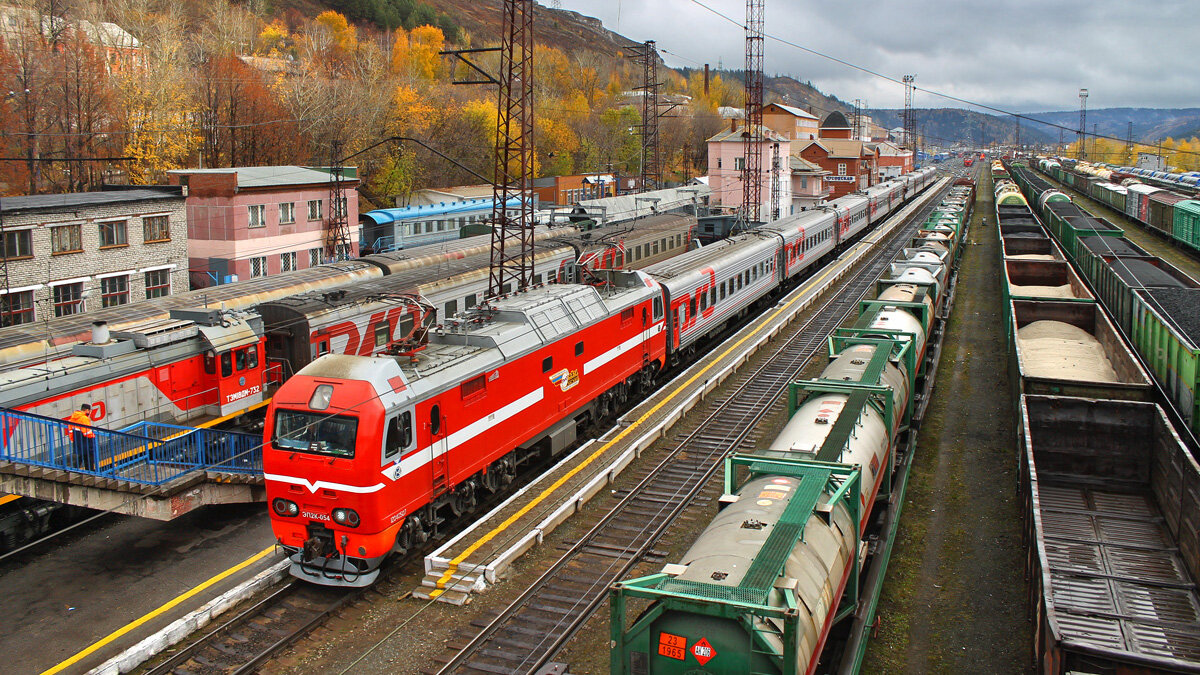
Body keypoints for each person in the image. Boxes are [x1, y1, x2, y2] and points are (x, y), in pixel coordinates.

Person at [65, 404, 97, 471]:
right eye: (89, 411)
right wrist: (93, 436)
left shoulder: (73, 417)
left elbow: (70, 430)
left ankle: (75, 469)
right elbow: (87, 432)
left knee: (81, 454)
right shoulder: (84, 418)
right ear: (87, 410)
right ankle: (90, 470)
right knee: (89, 455)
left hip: (77, 439)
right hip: (85, 440)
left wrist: (73, 439)